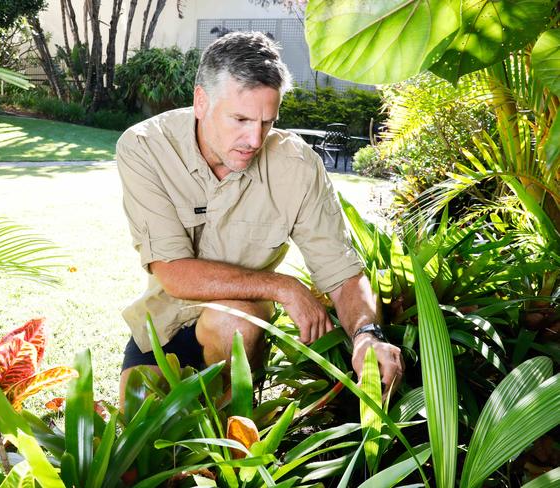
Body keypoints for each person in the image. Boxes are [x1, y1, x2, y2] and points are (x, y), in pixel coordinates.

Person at [117, 31, 403, 406]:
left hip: (238, 327)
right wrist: (284, 286)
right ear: (201, 102)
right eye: (240, 119)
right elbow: (173, 271)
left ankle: (231, 435)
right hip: (162, 325)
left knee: (232, 330)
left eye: (267, 122)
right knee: (138, 452)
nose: (254, 139)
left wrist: (367, 334)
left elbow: (342, 271)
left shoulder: (297, 166)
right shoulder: (145, 147)